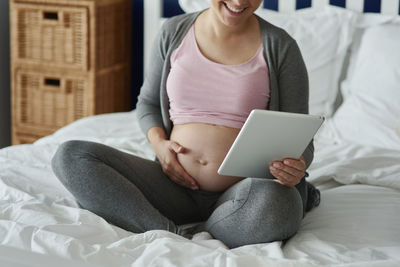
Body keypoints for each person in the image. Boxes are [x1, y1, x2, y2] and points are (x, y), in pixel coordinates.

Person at [51, 0, 320, 248]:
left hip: (243, 192)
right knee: (71, 156)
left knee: (279, 204)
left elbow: (300, 136)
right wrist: (160, 146)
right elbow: (148, 103)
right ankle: (170, 232)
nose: (239, 2)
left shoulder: (280, 46)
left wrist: (296, 167)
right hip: (171, 187)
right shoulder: (174, 31)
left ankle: (208, 226)